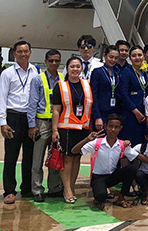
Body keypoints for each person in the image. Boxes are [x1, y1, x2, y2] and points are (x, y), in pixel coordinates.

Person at [71, 114, 148, 209]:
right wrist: (87, 139)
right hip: (98, 177)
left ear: (120, 128)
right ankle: (99, 194)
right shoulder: (97, 143)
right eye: (110, 126)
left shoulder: (122, 144)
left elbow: (139, 156)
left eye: (116, 127)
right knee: (101, 196)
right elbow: (74, 151)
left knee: (131, 169)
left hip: (113, 176)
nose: (113, 129)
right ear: (105, 126)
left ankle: (121, 198)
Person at [0, 40, 38, 204]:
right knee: (11, 156)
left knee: (30, 155)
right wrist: (3, 122)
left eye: (26, 51)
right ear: (14, 53)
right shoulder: (8, 73)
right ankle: (9, 190)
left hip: (30, 117)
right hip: (13, 116)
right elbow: (2, 97)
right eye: (19, 51)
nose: (23, 54)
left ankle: (27, 188)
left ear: (30, 52)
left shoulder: (35, 71)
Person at [50, 57, 92, 204]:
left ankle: (72, 187)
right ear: (67, 68)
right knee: (67, 159)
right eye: (72, 66)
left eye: (78, 66)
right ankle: (67, 189)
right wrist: (54, 130)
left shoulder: (87, 85)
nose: (75, 69)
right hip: (66, 128)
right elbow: (56, 110)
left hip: (83, 129)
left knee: (77, 158)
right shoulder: (60, 86)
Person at [26, 49, 63, 202]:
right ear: (46, 61)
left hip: (58, 123)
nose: (54, 63)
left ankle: (54, 187)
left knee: (55, 155)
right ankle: (37, 189)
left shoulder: (62, 78)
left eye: (57, 61)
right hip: (42, 123)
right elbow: (32, 103)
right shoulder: (38, 79)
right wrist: (32, 125)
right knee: (38, 158)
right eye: (51, 61)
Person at [117, 46, 148, 146]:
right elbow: (124, 94)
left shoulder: (145, 71)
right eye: (134, 56)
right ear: (130, 58)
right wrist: (135, 111)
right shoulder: (127, 72)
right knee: (130, 142)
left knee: (141, 142)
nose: (137, 58)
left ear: (143, 56)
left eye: (139, 55)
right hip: (131, 112)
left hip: (144, 111)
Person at [90, 45, 121, 131]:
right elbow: (94, 94)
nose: (113, 60)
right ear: (105, 55)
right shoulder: (97, 72)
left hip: (114, 110)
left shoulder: (117, 72)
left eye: (116, 58)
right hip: (101, 110)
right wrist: (97, 116)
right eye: (111, 57)